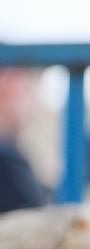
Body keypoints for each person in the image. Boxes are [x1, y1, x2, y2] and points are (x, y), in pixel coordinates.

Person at [0, 68, 50, 215]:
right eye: (31, 88)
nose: (37, 103)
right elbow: (41, 220)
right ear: (11, 86)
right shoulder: (6, 159)